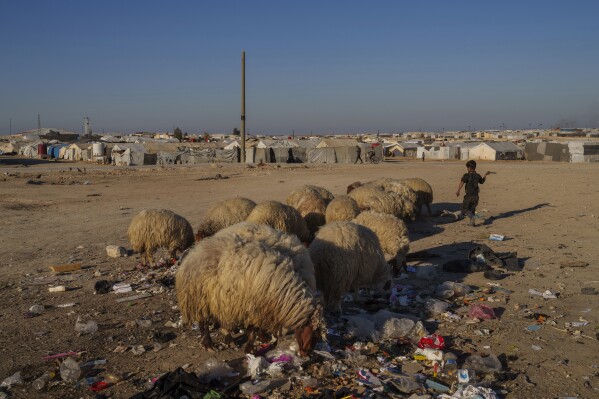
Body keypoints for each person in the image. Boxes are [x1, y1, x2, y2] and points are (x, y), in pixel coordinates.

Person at [456, 160, 491, 226]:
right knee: (472, 209)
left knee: (464, 209)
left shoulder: (466, 175)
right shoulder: (477, 175)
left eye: (467, 167)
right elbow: (482, 181)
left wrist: (458, 190)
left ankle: (472, 218)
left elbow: (462, 182)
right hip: (476, 196)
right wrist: (485, 175)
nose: (467, 169)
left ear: (469, 168)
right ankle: (472, 223)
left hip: (469, 196)